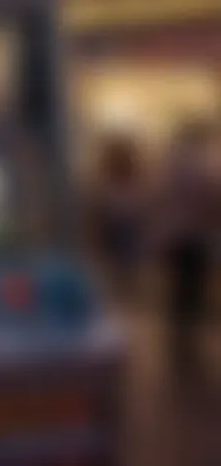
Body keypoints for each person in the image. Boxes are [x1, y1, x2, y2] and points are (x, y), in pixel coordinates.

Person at [161, 121, 218, 375]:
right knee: (191, 286)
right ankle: (187, 337)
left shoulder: (173, 165)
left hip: (177, 232)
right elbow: (205, 198)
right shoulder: (195, 165)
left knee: (182, 286)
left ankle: (182, 339)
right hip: (191, 234)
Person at [88, 133, 149, 305]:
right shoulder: (107, 182)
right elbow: (96, 212)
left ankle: (123, 299)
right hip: (117, 228)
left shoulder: (128, 180)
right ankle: (121, 300)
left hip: (124, 228)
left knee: (124, 271)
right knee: (120, 272)